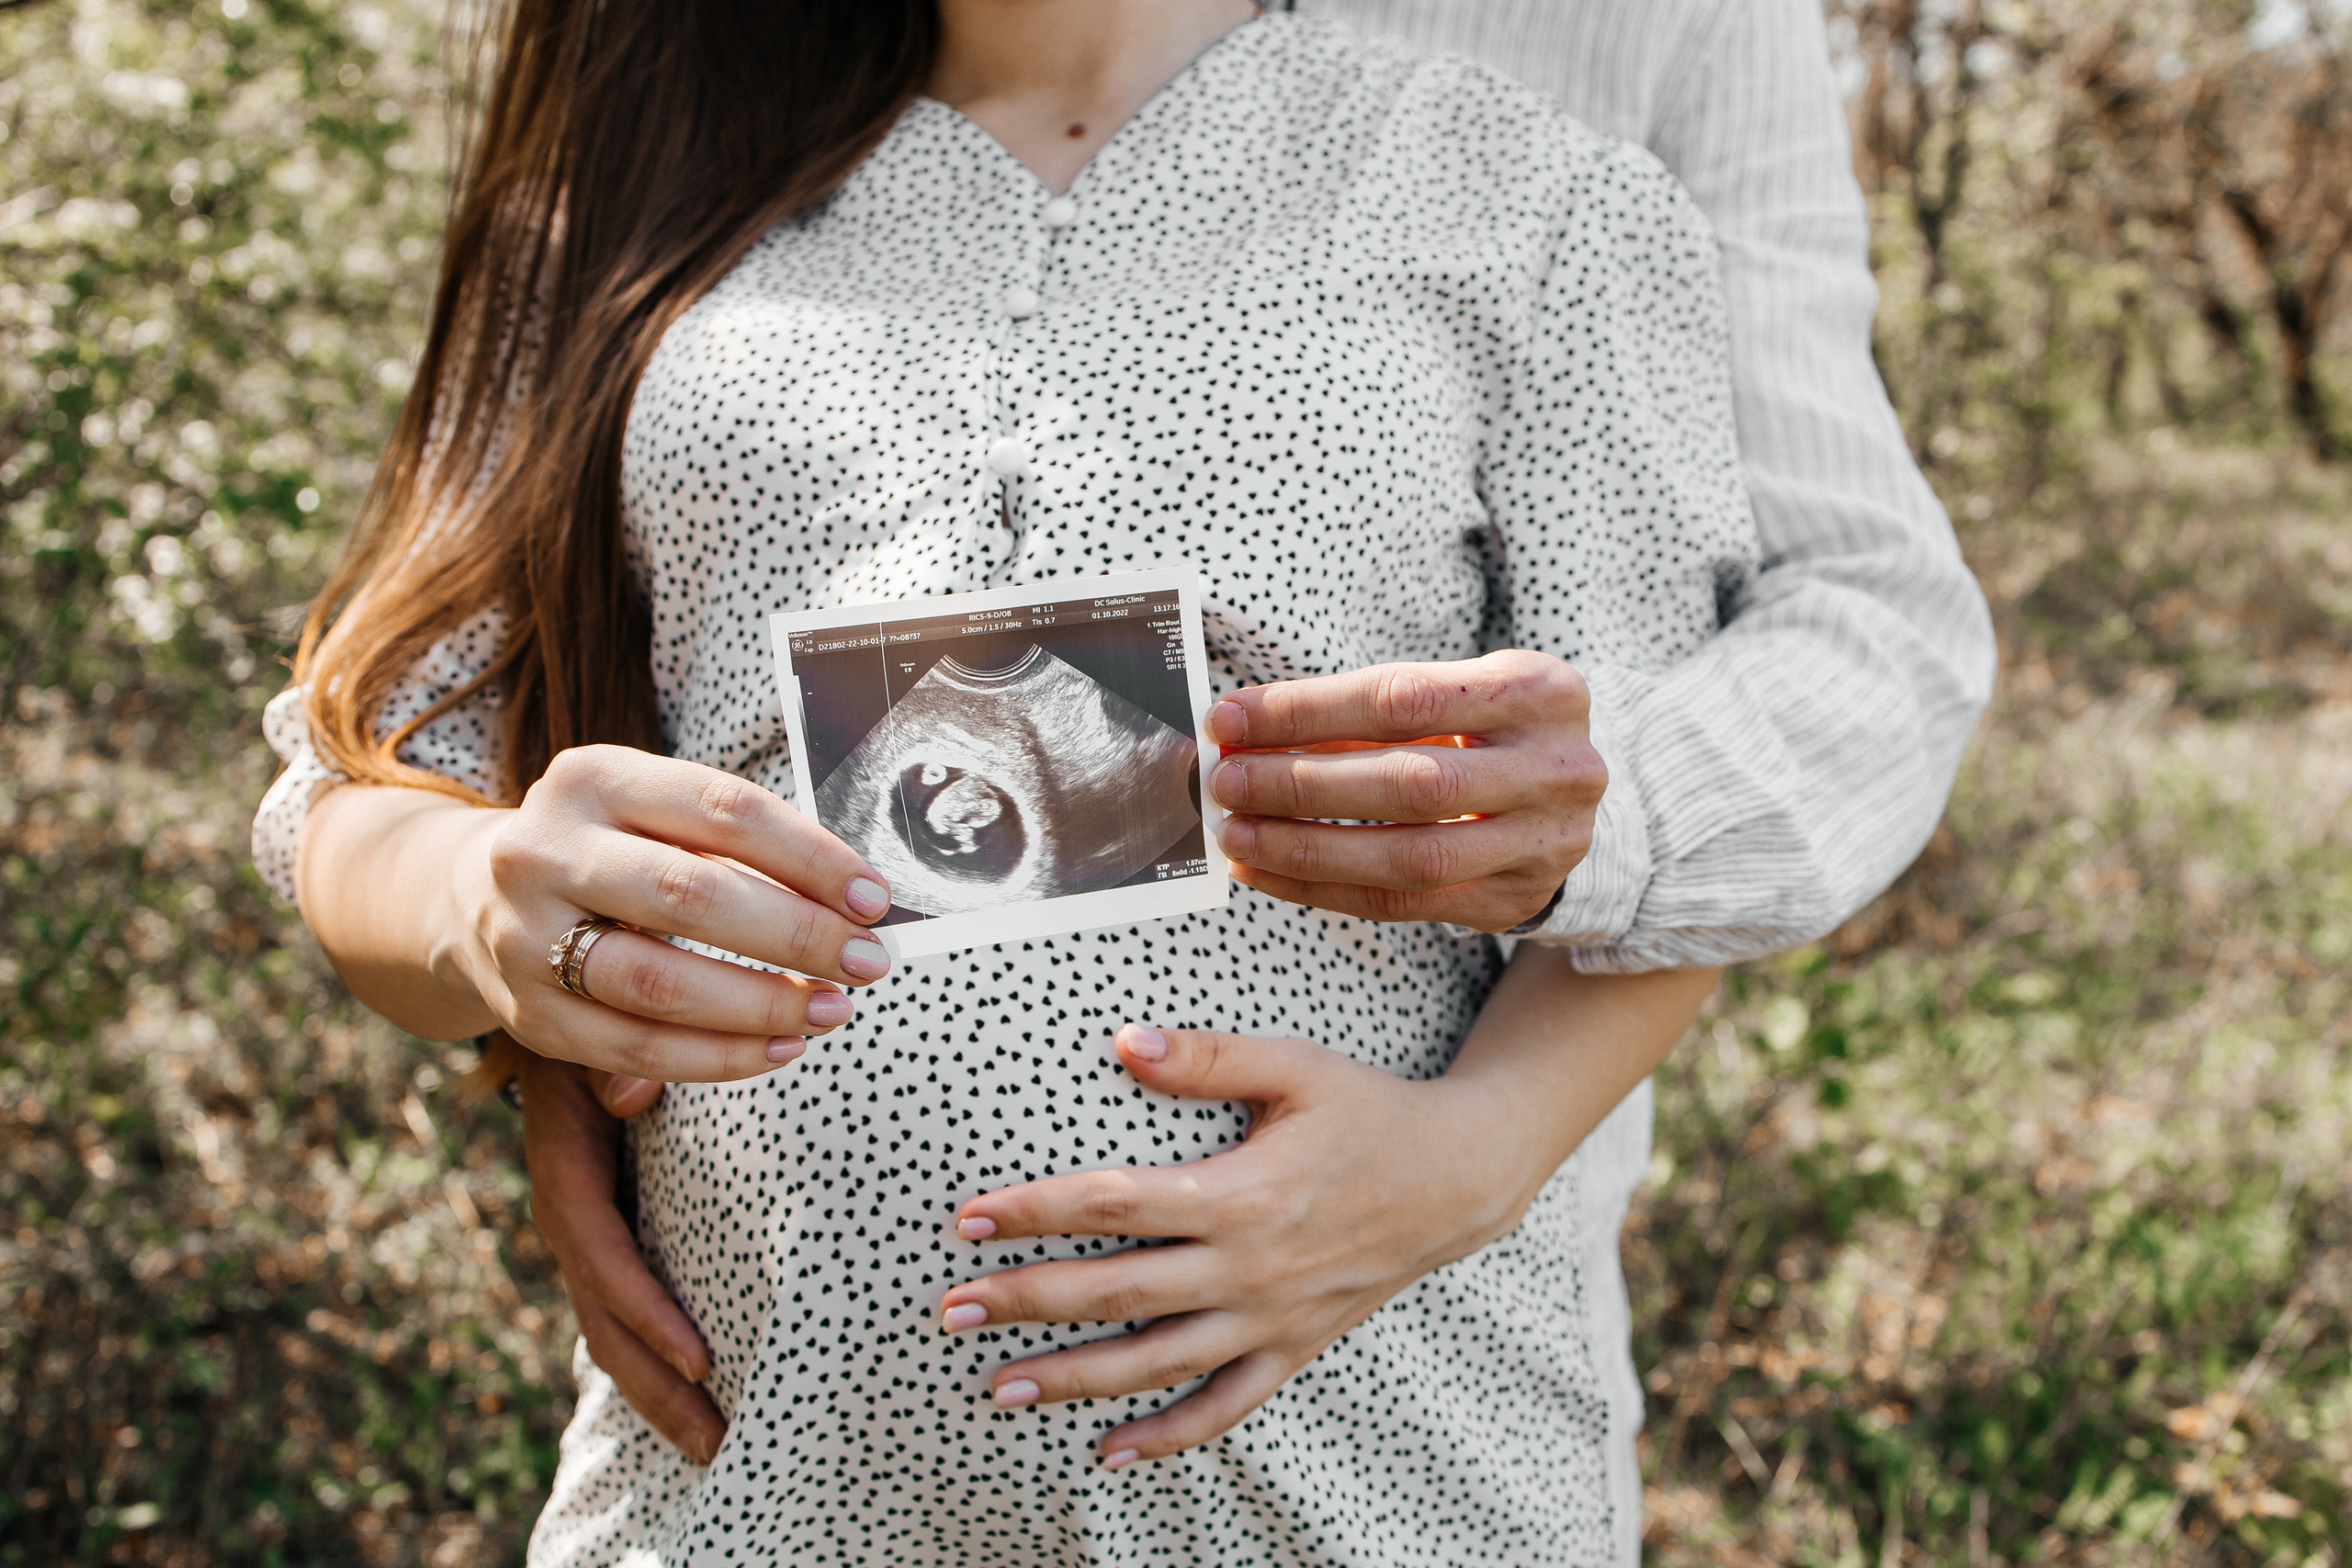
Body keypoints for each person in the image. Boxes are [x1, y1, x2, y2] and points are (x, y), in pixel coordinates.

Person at [254, 0, 1992, 1562]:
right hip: (746, 1481)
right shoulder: (642, 207)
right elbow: (360, 791)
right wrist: (484, 916)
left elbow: (1648, 831)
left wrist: (1471, 1149)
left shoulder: (1538, 198)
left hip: (1377, 1467)